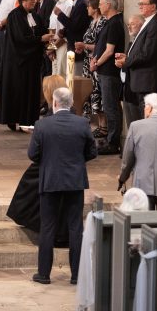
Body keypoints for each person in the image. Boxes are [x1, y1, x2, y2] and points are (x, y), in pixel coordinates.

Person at [29, 87, 97, 285]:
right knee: (75, 227)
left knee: (48, 227)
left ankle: (43, 274)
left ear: (55, 103)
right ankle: (76, 275)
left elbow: (33, 154)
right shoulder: (82, 123)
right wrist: (76, 161)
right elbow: (92, 152)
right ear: (71, 102)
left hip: (50, 179)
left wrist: (48, 161)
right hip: (74, 180)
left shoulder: (42, 125)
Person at [7, 75, 70, 246]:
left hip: (50, 164)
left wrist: (37, 135)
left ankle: (33, 220)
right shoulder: (70, 114)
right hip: (66, 166)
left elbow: (34, 154)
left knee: (31, 180)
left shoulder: (50, 117)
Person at [117, 93, 157, 210]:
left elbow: (128, 159)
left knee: (143, 223)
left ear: (150, 108)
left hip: (142, 183)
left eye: (145, 107)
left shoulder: (135, 126)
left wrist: (122, 178)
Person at [0, 0, 47, 130]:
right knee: (17, 90)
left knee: (30, 91)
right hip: (17, 61)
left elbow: (40, 31)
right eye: (31, 0)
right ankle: (13, 118)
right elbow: (20, 39)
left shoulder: (34, 15)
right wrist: (40, 39)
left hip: (32, 60)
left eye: (35, 0)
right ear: (23, 0)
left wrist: (46, 39)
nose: (34, 3)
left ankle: (28, 120)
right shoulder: (15, 16)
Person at [114, 0, 157, 120]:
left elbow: (147, 54)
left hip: (149, 81)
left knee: (148, 118)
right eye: (139, 3)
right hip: (142, 80)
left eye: (143, 4)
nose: (140, 6)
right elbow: (141, 49)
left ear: (154, 6)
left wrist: (126, 61)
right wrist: (127, 55)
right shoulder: (150, 22)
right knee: (140, 118)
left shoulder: (156, 24)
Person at [90, 0, 125, 154]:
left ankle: (113, 143)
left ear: (109, 5)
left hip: (110, 72)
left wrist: (96, 63)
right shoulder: (111, 22)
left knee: (111, 107)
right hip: (105, 70)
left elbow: (110, 51)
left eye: (102, 3)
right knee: (110, 105)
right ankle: (111, 139)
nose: (99, 6)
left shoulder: (115, 23)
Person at [75, 0, 106, 134]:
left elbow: (101, 46)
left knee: (97, 93)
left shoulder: (102, 23)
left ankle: (103, 126)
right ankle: (96, 124)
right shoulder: (92, 22)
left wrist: (85, 45)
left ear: (95, 8)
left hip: (97, 61)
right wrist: (83, 47)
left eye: (88, 6)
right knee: (90, 92)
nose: (87, 8)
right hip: (88, 61)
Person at [54, 0, 90, 75]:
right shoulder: (77, 2)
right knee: (70, 79)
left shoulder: (82, 3)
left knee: (75, 80)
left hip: (78, 49)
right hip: (73, 48)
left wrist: (60, 14)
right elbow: (73, 23)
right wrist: (63, 32)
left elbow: (75, 27)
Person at [121, 14, 145, 126]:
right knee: (130, 123)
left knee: (138, 122)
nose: (129, 27)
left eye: (133, 24)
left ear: (142, 26)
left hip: (136, 87)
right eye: (128, 25)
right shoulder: (131, 42)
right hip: (127, 88)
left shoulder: (142, 43)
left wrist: (125, 60)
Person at [47, 0, 73, 78]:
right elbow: (52, 28)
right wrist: (51, 47)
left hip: (62, 44)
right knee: (54, 76)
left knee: (61, 76)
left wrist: (52, 47)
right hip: (54, 45)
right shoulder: (57, 3)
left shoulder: (68, 4)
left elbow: (64, 31)